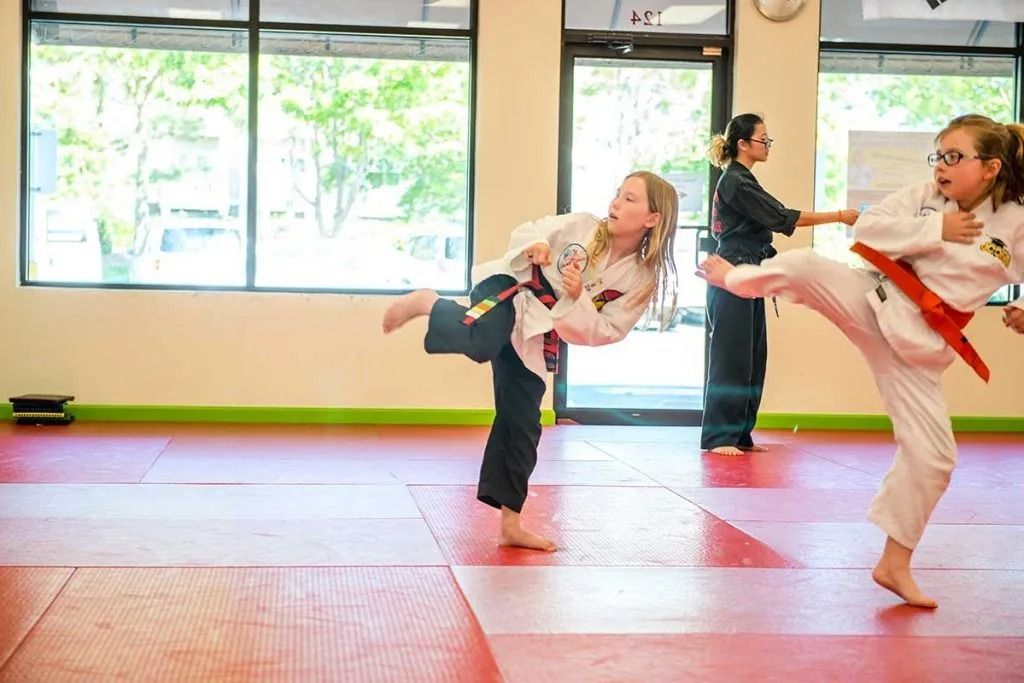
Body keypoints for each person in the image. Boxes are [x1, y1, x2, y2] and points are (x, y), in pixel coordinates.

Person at [697, 114, 1024, 607]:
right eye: (938, 155)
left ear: (990, 167)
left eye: (954, 157)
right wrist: (937, 227)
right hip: (872, 298)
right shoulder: (926, 198)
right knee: (806, 266)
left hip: (919, 345)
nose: (940, 167)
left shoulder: (1017, 220)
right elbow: (868, 229)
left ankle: (894, 563)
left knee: (935, 457)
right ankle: (734, 279)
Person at [383, 171, 679, 551]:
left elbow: (606, 330)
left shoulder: (640, 278)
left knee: (522, 423)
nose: (616, 203)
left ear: (653, 219)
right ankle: (428, 302)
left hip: (538, 329)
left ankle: (511, 524)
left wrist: (579, 298)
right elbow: (530, 229)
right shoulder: (584, 227)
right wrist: (537, 246)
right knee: (483, 341)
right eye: (618, 194)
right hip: (508, 288)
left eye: (630, 199)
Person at [702, 113, 860, 456]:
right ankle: (719, 437)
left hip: (749, 272)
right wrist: (837, 216)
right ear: (743, 144)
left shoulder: (744, 179)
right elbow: (782, 217)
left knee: (752, 356)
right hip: (732, 272)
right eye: (763, 139)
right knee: (731, 357)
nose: (768, 145)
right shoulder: (735, 182)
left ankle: (740, 434)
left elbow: (776, 215)